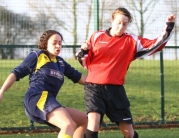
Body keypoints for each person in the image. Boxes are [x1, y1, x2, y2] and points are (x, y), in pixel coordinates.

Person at [76, 7, 175, 138]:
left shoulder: (132, 41)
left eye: (125, 24)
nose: (121, 26)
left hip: (116, 90)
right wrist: (82, 52)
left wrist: (169, 27)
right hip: (94, 88)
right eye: (118, 22)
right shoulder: (96, 36)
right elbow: (84, 60)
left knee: (129, 133)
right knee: (93, 125)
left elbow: (155, 44)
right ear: (112, 20)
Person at [0, 30, 88, 138]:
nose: (58, 46)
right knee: (68, 124)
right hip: (37, 97)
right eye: (54, 43)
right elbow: (16, 73)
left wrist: (99, 74)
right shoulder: (38, 55)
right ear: (46, 44)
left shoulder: (61, 63)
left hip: (49, 101)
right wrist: (2, 91)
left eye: (60, 43)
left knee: (85, 120)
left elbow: (82, 79)